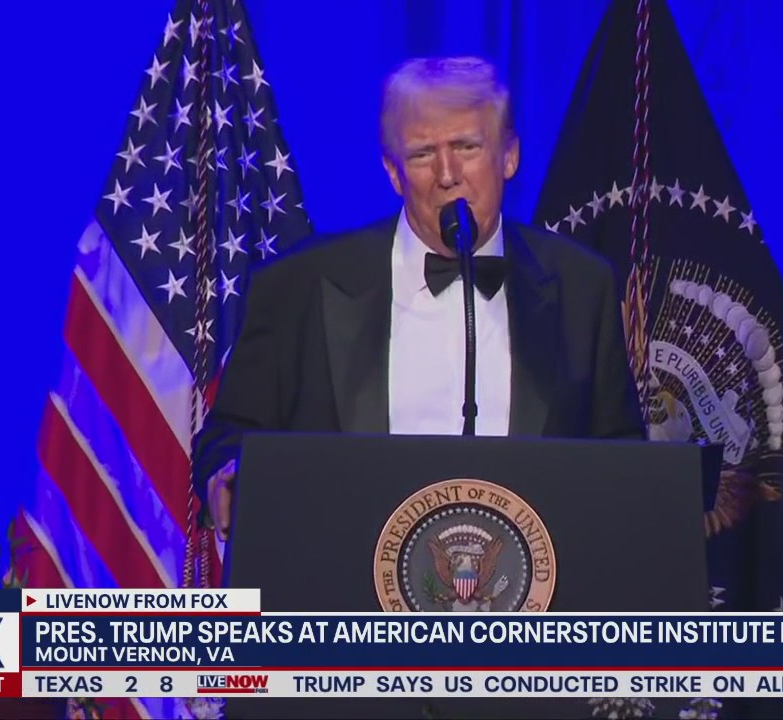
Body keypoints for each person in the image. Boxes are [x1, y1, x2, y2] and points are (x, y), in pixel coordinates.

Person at [192, 56, 644, 540]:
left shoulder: (581, 287)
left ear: (509, 155)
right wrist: (227, 474)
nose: (447, 174)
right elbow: (227, 438)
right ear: (393, 171)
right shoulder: (298, 287)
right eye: (423, 154)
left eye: (467, 146)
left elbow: (620, 459)